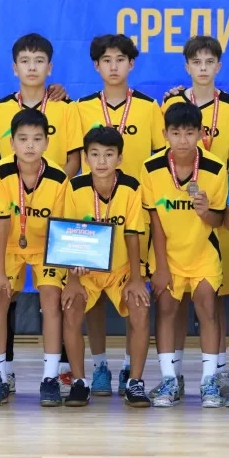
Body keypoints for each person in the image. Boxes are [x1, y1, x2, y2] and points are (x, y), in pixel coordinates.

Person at [0, 33, 81, 394]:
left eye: (39, 61)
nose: (32, 67)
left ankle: (51, 376)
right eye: (25, 61)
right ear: (14, 67)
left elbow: (74, 158)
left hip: (48, 229)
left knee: (52, 298)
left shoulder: (65, 107)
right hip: (9, 227)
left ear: (49, 67)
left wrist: (45, 189)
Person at [158, 35, 229, 399]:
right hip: (176, 210)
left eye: (210, 62)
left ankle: (218, 371)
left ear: (219, 66)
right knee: (175, 298)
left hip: (216, 206)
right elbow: (162, 153)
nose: (203, 68)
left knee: (214, 295)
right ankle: (174, 374)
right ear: (186, 67)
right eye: (196, 62)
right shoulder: (172, 103)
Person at [77, 34, 166, 397]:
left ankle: (132, 367)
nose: (113, 66)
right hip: (92, 211)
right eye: (106, 60)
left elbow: (161, 159)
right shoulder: (80, 107)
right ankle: (99, 366)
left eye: (120, 59)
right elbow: (74, 159)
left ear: (131, 64)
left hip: (134, 212)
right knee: (93, 296)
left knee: (136, 294)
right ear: (96, 66)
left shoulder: (149, 107)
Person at [141, 103, 229, 408]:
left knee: (207, 308)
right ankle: (169, 379)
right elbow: (154, 220)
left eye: (189, 133)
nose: (182, 140)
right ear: (165, 133)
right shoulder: (151, 167)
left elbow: (220, 220)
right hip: (166, 254)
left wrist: (206, 212)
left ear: (201, 134)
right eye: (176, 133)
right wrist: (161, 267)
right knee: (166, 310)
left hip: (203, 251)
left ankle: (209, 381)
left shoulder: (215, 168)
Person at [0, 109, 70, 407]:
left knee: (51, 299)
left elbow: (59, 226)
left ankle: (50, 378)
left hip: (46, 246)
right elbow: (2, 222)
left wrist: (65, 271)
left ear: (47, 142)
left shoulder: (58, 177)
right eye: (23, 139)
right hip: (8, 244)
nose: (30, 145)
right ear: (12, 143)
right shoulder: (1, 171)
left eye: (36, 139)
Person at [61, 126, 152, 407]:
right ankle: (80, 382)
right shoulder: (74, 187)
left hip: (121, 269)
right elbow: (68, 233)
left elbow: (133, 234)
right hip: (86, 270)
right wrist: (72, 280)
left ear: (120, 158)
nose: (102, 161)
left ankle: (134, 382)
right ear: (85, 158)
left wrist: (136, 279)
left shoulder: (131, 187)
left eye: (109, 155)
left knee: (140, 308)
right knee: (71, 308)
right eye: (95, 154)